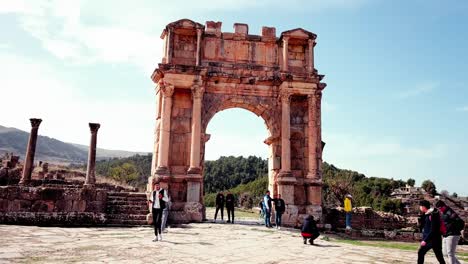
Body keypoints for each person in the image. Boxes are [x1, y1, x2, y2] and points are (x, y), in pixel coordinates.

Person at [418, 200, 446, 264]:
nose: (419, 207)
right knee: (439, 256)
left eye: (420, 206)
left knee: (421, 252)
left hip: (431, 239)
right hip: (436, 239)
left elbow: (433, 229)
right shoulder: (428, 214)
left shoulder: (432, 215)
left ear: (423, 207)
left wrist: (425, 240)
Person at [436, 200, 464, 264]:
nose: (439, 210)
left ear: (443, 206)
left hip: (453, 234)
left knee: (450, 254)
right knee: (445, 253)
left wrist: (452, 228)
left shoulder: (450, 212)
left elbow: (460, 222)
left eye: (440, 208)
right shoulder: (442, 213)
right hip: (445, 235)